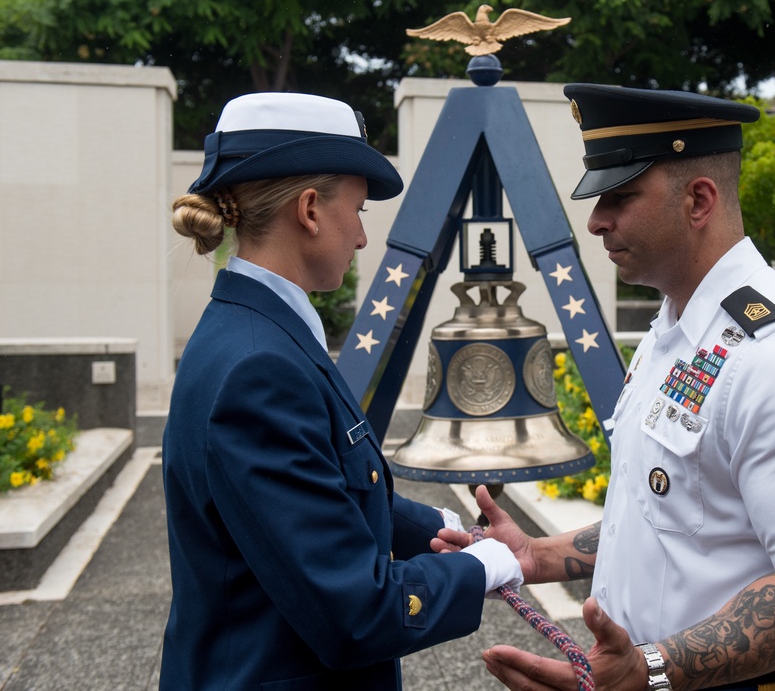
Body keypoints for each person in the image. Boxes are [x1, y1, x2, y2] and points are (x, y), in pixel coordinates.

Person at [435, 84, 775, 690]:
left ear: (699, 200)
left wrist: (651, 670)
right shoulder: (676, 328)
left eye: (620, 197)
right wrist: (538, 557)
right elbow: (671, 516)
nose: (597, 221)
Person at [160, 91, 522, 690]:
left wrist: (432, 524)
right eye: (358, 210)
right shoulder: (261, 368)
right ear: (309, 210)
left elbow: (318, 485)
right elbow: (354, 614)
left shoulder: (250, 331)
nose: (359, 237)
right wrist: (481, 567)